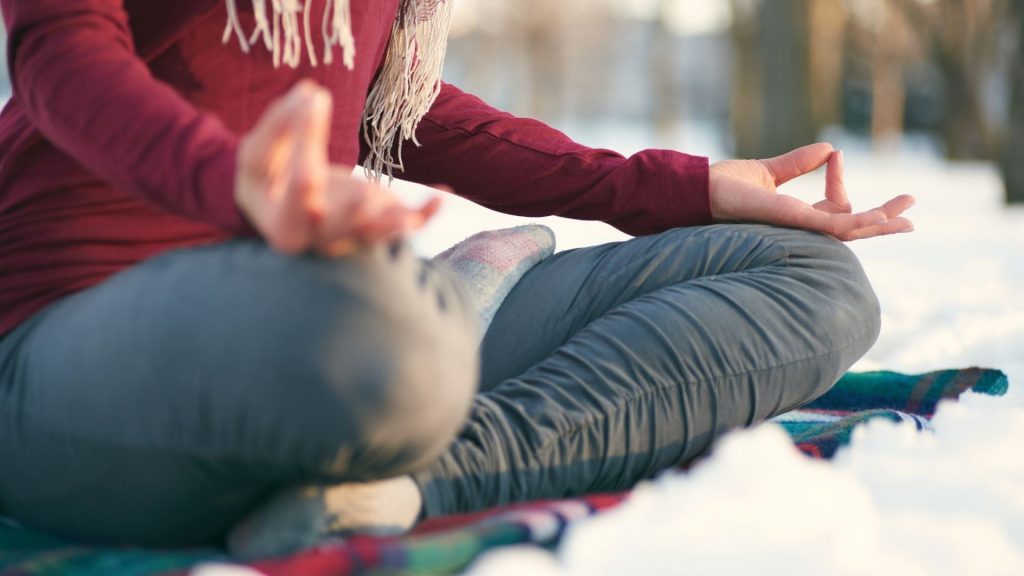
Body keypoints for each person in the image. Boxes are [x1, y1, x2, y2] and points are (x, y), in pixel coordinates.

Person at [0, 0, 914, 557]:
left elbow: (394, 105)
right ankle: (428, 313)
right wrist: (233, 180)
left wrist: (678, 187)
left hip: (335, 335)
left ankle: (412, 480)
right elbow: (56, 50)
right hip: (68, 345)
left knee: (814, 281)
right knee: (373, 329)